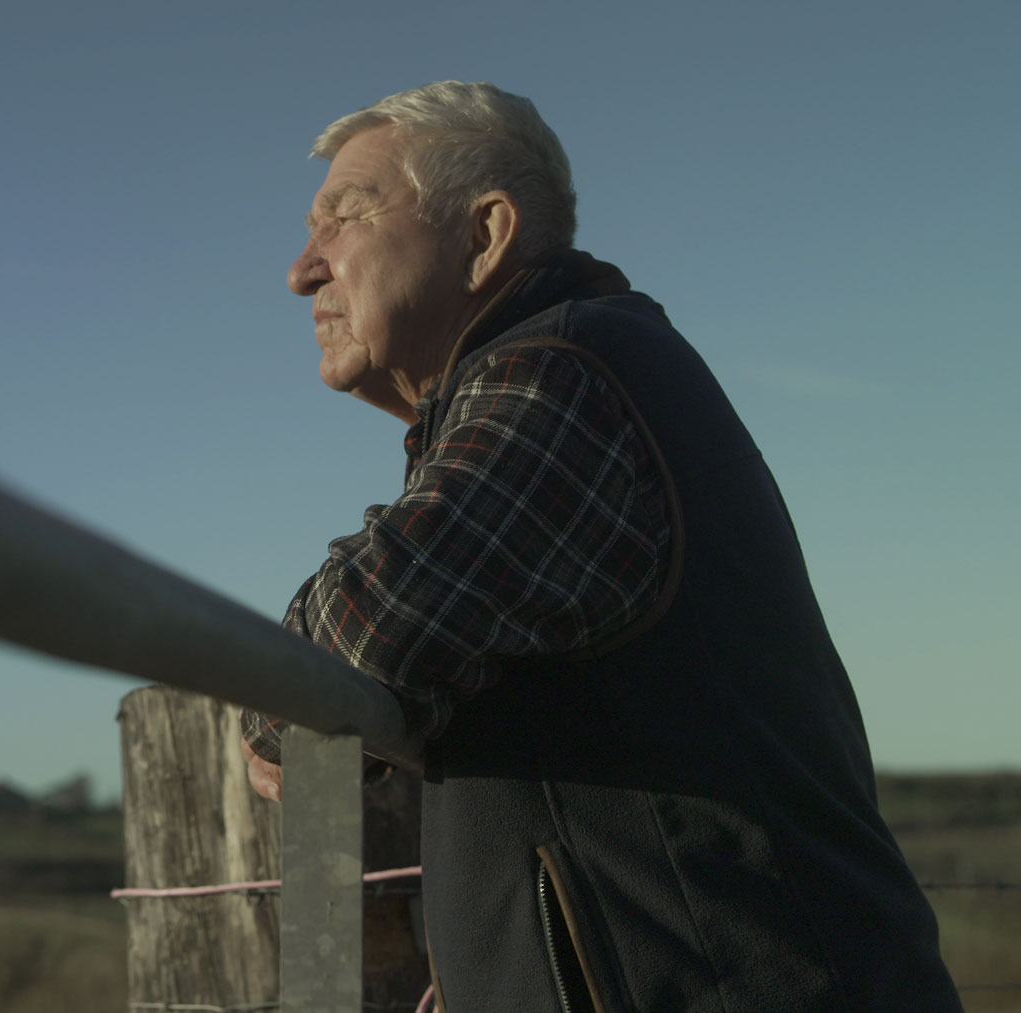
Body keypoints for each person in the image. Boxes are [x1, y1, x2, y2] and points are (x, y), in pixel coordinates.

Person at [237, 81, 961, 1011]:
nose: (303, 271)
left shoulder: (561, 376)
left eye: (345, 217)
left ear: (484, 234)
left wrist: (275, 704)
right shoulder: (582, 370)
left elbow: (364, 634)